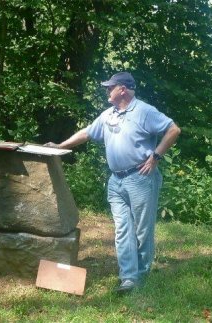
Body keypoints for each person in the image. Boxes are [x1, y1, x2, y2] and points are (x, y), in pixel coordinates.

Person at [45, 72, 180, 293]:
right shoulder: (109, 114)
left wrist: (155, 157)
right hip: (116, 180)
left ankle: (142, 273)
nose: (107, 90)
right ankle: (129, 278)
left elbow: (173, 130)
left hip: (141, 178)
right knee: (122, 229)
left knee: (142, 230)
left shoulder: (144, 111)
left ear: (123, 90)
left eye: (110, 87)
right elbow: (87, 133)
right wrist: (61, 147)